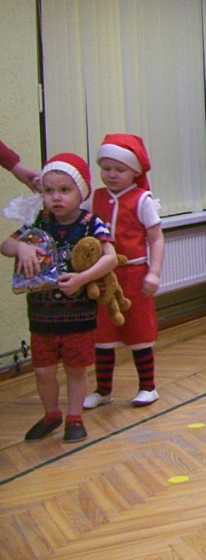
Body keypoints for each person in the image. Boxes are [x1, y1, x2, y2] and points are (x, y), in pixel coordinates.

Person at [3, 154, 117, 443]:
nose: (56, 197)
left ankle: (74, 418)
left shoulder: (91, 223)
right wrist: (21, 248)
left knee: (76, 370)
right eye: (49, 190)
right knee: (43, 370)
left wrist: (82, 278)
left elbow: (111, 258)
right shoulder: (39, 221)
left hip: (78, 315)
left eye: (65, 190)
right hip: (41, 314)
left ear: (82, 192)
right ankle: (51, 415)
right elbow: (6, 245)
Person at [84, 134, 166, 409]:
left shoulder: (142, 199)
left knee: (138, 330)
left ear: (134, 171)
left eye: (119, 169)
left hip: (134, 274)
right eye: (106, 168)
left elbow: (156, 239)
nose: (111, 174)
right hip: (102, 277)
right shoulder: (94, 198)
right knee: (103, 334)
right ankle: (103, 390)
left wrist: (153, 273)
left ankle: (148, 387)